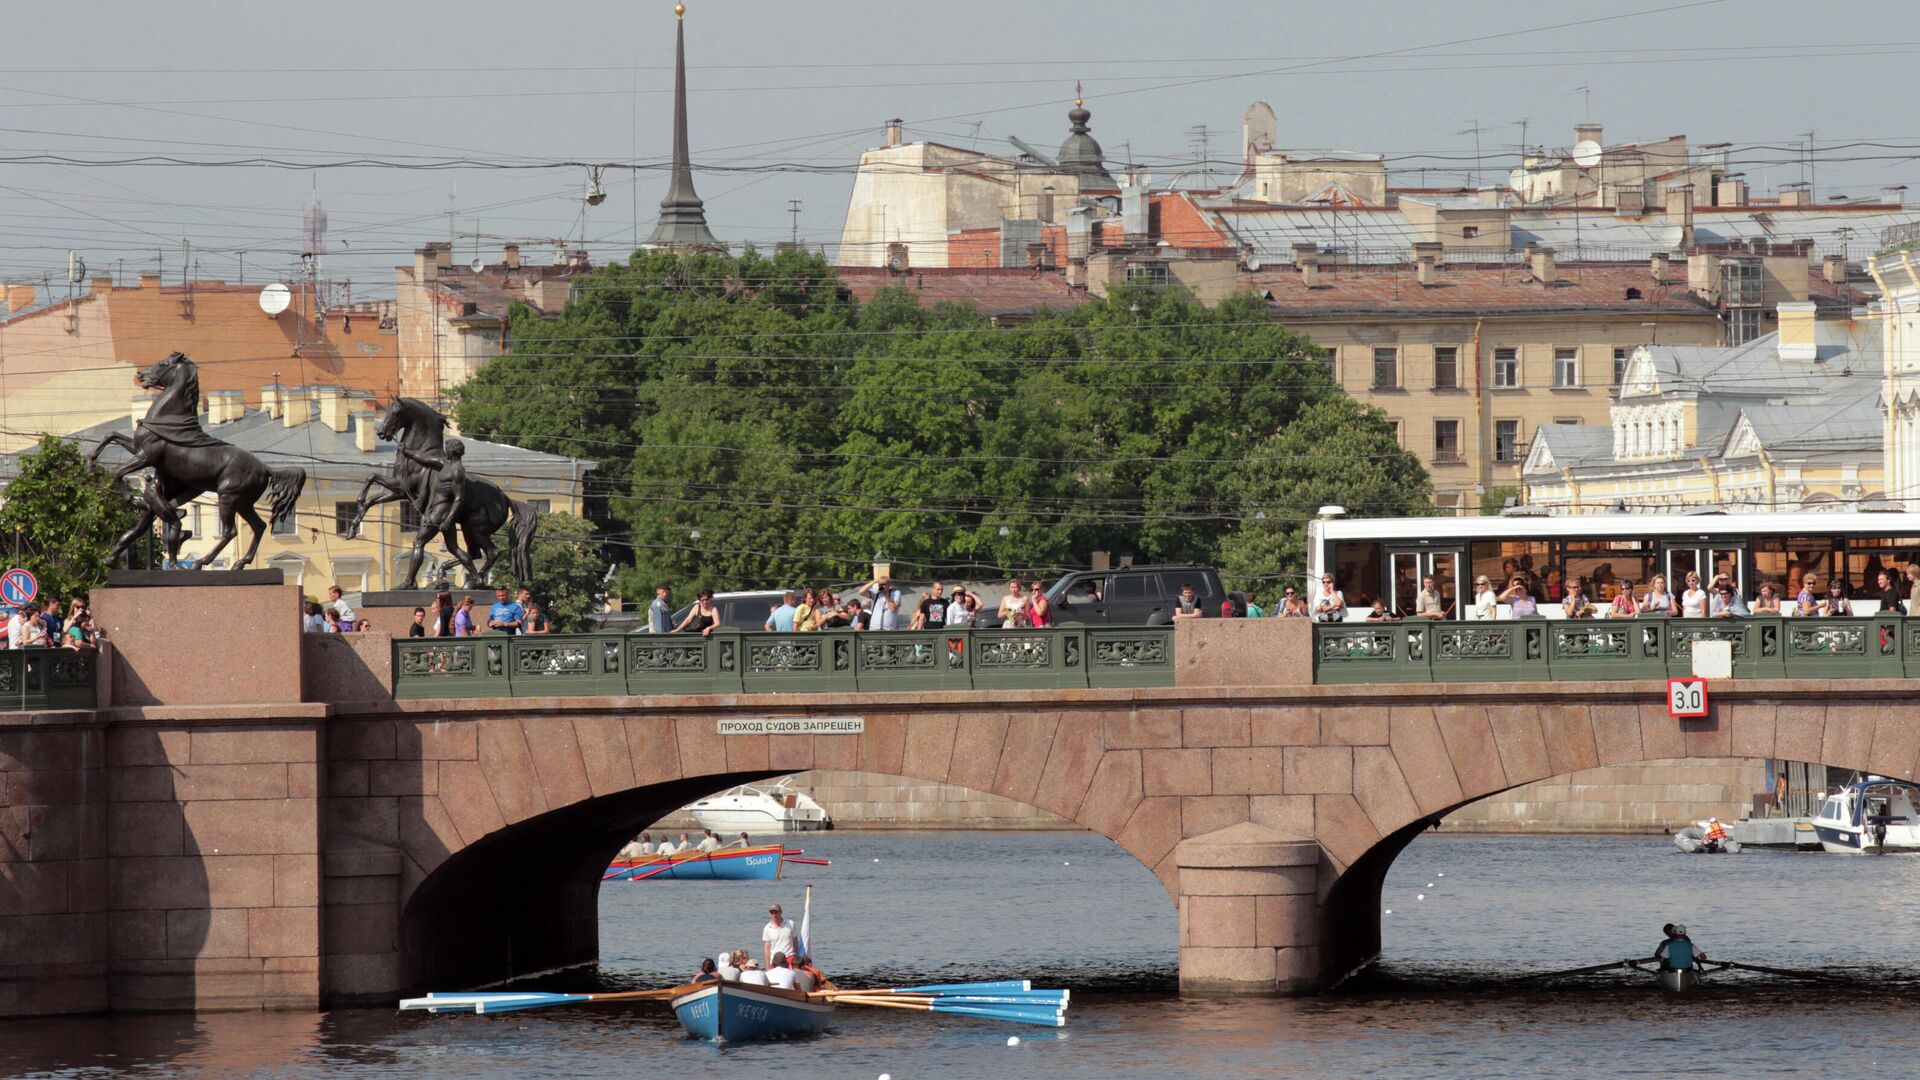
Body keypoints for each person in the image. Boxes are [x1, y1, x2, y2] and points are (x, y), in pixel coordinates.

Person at [762, 904, 795, 970]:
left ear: (780, 912)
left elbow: (795, 942)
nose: (774, 915)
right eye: (772, 912)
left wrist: (794, 957)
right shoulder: (767, 928)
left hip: (789, 958)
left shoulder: (790, 924)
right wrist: (767, 966)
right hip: (774, 961)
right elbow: (767, 949)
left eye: (776, 912)